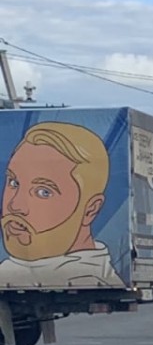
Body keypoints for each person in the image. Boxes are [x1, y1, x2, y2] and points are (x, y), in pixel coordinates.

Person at [0, 121, 125, 288]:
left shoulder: (91, 281)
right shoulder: (10, 273)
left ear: (90, 210)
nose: (15, 206)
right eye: (14, 183)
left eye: (43, 192)